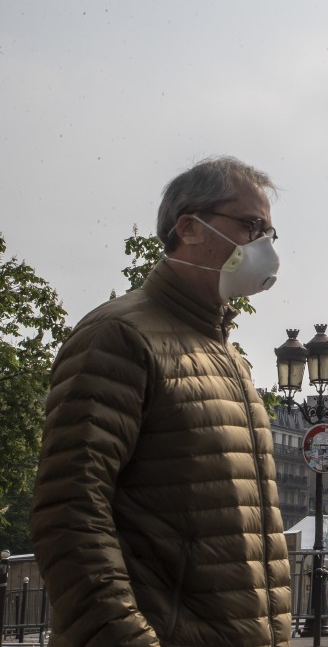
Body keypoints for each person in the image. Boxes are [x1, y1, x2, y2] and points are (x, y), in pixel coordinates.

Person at [30, 156, 291, 646]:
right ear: (189, 228)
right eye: (251, 225)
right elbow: (69, 512)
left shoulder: (228, 356)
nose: (264, 246)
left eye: (270, 234)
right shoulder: (119, 336)